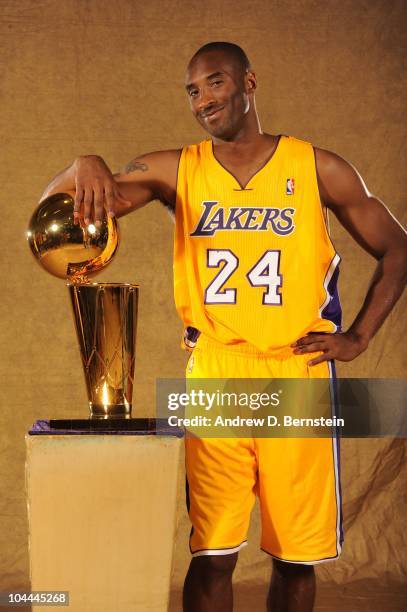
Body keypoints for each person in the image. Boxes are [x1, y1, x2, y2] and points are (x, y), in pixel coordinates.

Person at [40, 42, 406, 612]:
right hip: (216, 370)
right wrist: (78, 165)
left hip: (296, 372)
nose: (204, 100)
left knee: (294, 557)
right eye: (192, 91)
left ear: (248, 82)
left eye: (214, 83)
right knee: (211, 553)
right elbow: (66, 211)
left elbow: (398, 249)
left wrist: (357, 337)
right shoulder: (174, 170)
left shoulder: (317, 166)